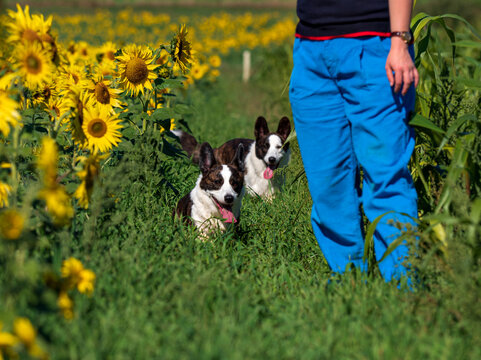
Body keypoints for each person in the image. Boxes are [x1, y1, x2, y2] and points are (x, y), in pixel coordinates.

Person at [289, 0, 419, 283]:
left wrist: (400, 40)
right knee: (327, 184)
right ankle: (349, 282)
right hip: (311, 49)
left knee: (385, 178)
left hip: (377, 47)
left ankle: (404, 287)